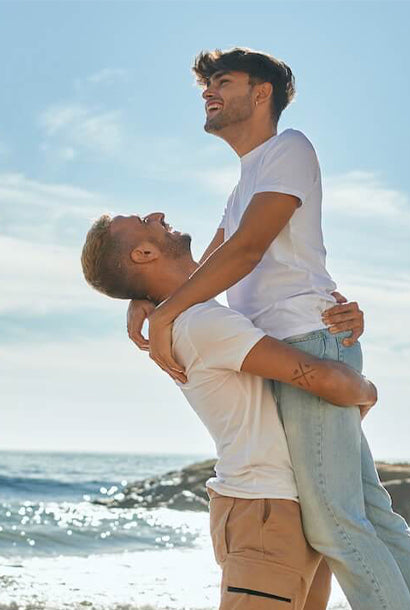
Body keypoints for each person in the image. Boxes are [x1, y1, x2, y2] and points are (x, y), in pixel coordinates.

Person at [125, 48, 410, 610]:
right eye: (206, 84)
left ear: (262, 94)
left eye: (222, 81)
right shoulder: (243, 185)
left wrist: (164, 313)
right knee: (373, 516)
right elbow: (201, 271)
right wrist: (141, 300)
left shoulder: (288, 149)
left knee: (336, 525)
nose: (209, 92)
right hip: (299, 344)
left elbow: (247, 251)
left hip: (308, 340)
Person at [81, 210, 372, 609]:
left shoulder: (200, 317)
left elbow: (237, 229)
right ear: (144, 253)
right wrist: (367, 390)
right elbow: (328, 382)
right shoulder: (201, 323)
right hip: (264, 511)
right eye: (143, 221)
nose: (158, 215)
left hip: (292, 506)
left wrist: (336, 327)